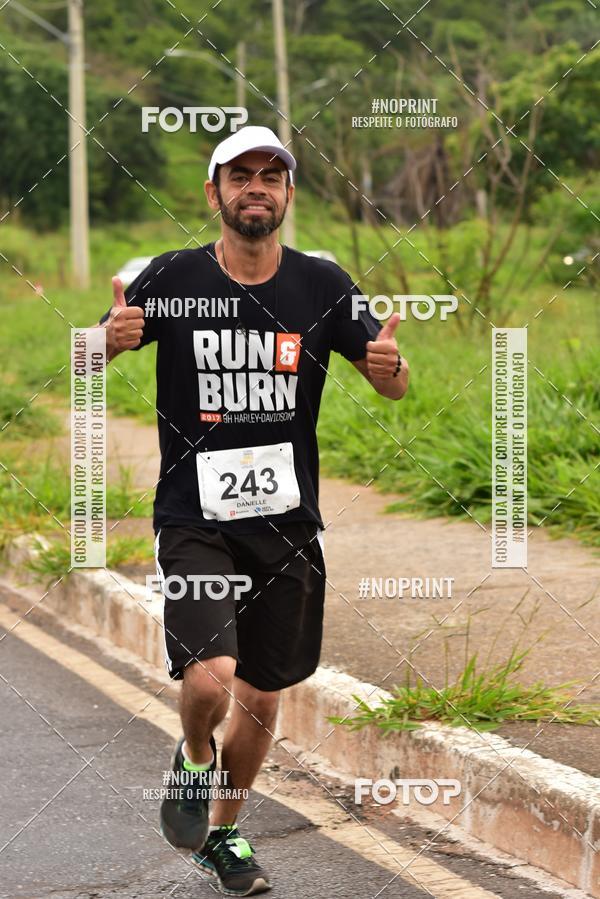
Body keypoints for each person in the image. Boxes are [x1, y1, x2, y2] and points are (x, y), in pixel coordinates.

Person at [97, 125, 409, 896]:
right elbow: (90, 352)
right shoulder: (173, 276)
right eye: (241, 175)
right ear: (215, 192)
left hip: (287, 522)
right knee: (211, 680)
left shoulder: (323, 284)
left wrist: (391, 367)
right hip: (194, 515)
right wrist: (106, 339)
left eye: (271, 175)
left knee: (264, 694)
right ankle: (193, 758)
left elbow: (393, 384)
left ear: (288, 193)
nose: (256, 187)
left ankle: (225, 835)